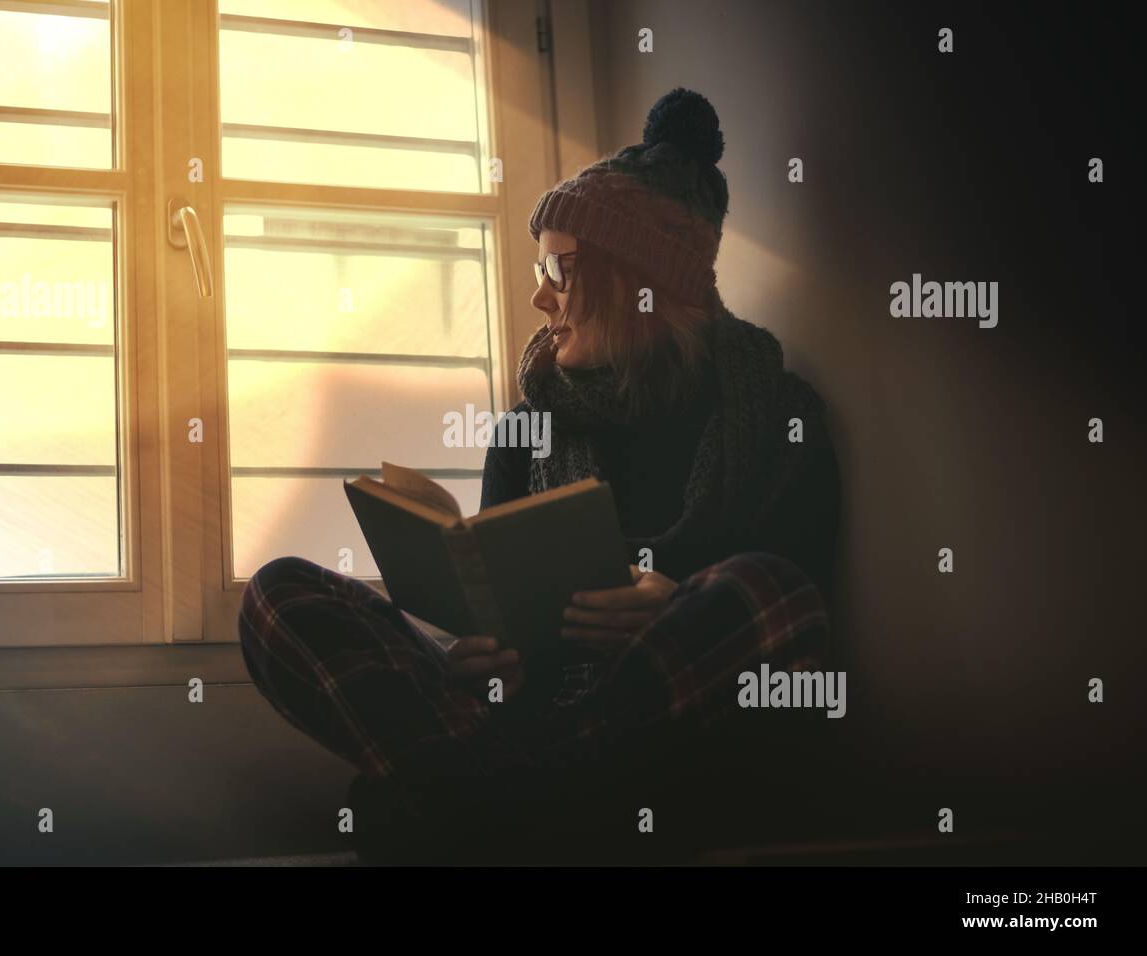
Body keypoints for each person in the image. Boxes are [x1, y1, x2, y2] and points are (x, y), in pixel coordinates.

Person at [238, 88, 841, 863]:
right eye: (538, 266)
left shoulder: (778, 425)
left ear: (641, 279)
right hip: (529, 742)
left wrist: (677, 603)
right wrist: (482, 666)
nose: (539, 294)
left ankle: (474, 809)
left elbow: (808, 633)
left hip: (668, 745)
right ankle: (520, 806)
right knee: (281, 593)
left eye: (560, 266)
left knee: (770, 594)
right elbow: (496, 642)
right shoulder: (526, 432)